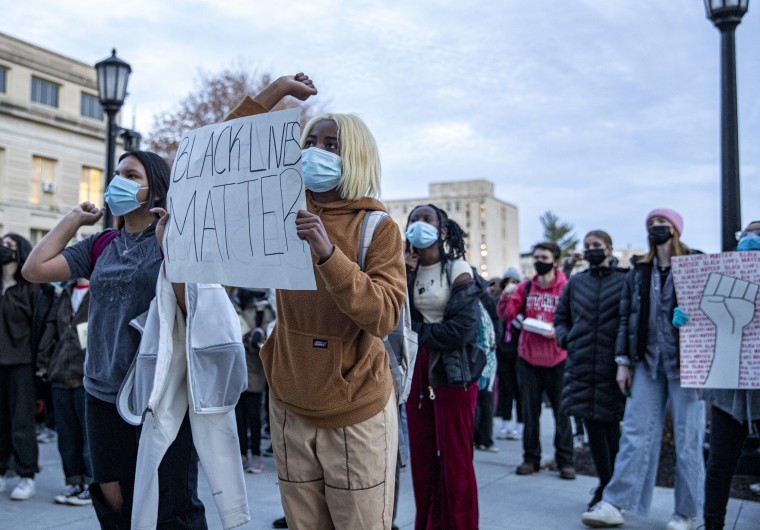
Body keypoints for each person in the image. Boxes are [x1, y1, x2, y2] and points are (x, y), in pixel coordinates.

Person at [227, 88, 406, 528]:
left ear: (356, 158)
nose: (316, 152)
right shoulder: (281, 207)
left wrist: (329, 254)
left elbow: (384, 314)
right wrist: (276, 93)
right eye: (310, 142)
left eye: (331, 145)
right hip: (289, 402)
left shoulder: (377, 227)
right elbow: (223, 153)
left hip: (355, 408)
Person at [21, 150, 207, 528]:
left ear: (155, 190)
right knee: (113, 501)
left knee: (171, 505)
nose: (118, 181)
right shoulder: (101, 244)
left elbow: (197, 312)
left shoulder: (174, 237)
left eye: (131, 174)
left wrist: (168, 246)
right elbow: (34, 268)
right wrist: (75, 218)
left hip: (160, 393)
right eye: (117, 173)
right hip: (101, 392)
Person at [581, 208, 704, 530]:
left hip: (688, 365)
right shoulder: (640, 270)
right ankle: (616, 502)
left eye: (662, 223)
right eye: (652, 224)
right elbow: (626, 318)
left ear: (676, 229)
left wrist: (696, 329)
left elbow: (712, 312)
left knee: (688, 439)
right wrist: (622, 362)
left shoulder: (695, 263)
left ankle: (687, 512)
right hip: (648, 362)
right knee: (635, 434)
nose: (656, 228)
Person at [404, 203, 480, 529]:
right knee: (423, 459)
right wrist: (404, 275)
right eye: (413, 220)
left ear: (442, 231)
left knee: (455, 460)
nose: (418, 224)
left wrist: (418, 333)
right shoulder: (405, 269)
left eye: (426, 219)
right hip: (417, 371)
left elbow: (464, 329)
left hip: (452, 371)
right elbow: (395, 319)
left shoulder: (458, 268)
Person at [554, 230, 627, 508]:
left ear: (609, 248)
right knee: (594, 428)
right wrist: (566, 337)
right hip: (582, 362)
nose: (592, 249)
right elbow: (561, 316)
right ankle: (606, 485)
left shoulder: (624, 280)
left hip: (612, 364)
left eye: (597, 245)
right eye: (588, 246)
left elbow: (629, 317)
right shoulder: (576, 283)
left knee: (612, 428)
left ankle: (613, 486)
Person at [700, 220, 760, 530]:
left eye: (759, 234)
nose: (751, 239)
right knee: (719, 463)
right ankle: (712, 524)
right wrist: (686, 319)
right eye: (746, 234)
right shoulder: (718, 275)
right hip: (727, 386)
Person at [498, 241, 575, 479]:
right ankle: (531, 458)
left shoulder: (565, 287)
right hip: (528, 358)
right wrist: (505, 297)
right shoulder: (526, 287)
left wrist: (560, 331)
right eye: (536, 257)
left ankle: (565, 461)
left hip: (557, 358)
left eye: (544, 257)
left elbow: (575, 317)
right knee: (530, 411)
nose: (539, 261)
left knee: (562, 412)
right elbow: (507, 315)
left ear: (555, 261)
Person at [0, 233, 53, 500]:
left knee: (22, 422)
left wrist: (41, 362)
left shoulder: (33, 289)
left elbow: (44, 327)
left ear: (21, 251)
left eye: (9, 246)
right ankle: (1, 471)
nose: (3, 249)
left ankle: (26, 475)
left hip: (22, 364)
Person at [37, 275, 93, 506]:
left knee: (89, 435)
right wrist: (43, 361)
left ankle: (92, 484)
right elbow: (51, 328)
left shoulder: (99, 289)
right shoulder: (65, 293)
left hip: (89, 375)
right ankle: (73, 482)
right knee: (67, 435)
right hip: (61, 373)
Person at [231, 287, 275, 475]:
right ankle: (240, 453)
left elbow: (271, 332)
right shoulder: (232, 304)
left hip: (255, 368)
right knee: (238, 414)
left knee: (254, 414)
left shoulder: (263, 308)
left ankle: (255, 454)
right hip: (235, 367)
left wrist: (259, 334)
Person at [494, 267, 524, 440]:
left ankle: (520, 425)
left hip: (519, 352)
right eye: (508, 282)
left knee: (520, 390)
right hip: (504, 351)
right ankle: (506, 423)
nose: (511, 286)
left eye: (514, 283)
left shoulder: (521, 304)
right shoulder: (501, 302)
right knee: (506, 389)